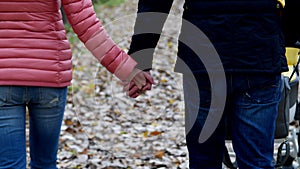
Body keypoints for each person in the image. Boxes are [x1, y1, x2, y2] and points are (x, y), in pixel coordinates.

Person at [124, 0, 299, 168]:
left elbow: (155, 2)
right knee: (257, 161)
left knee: (204, 161)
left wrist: (140, 58)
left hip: (203, 53)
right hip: (260, 51)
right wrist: (286, 38)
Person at [0, 0, 154, 168]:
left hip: (3, 79)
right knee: (45, 163)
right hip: (50, 75)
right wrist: (127, 70)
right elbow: (87, 25)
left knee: (10, 164)